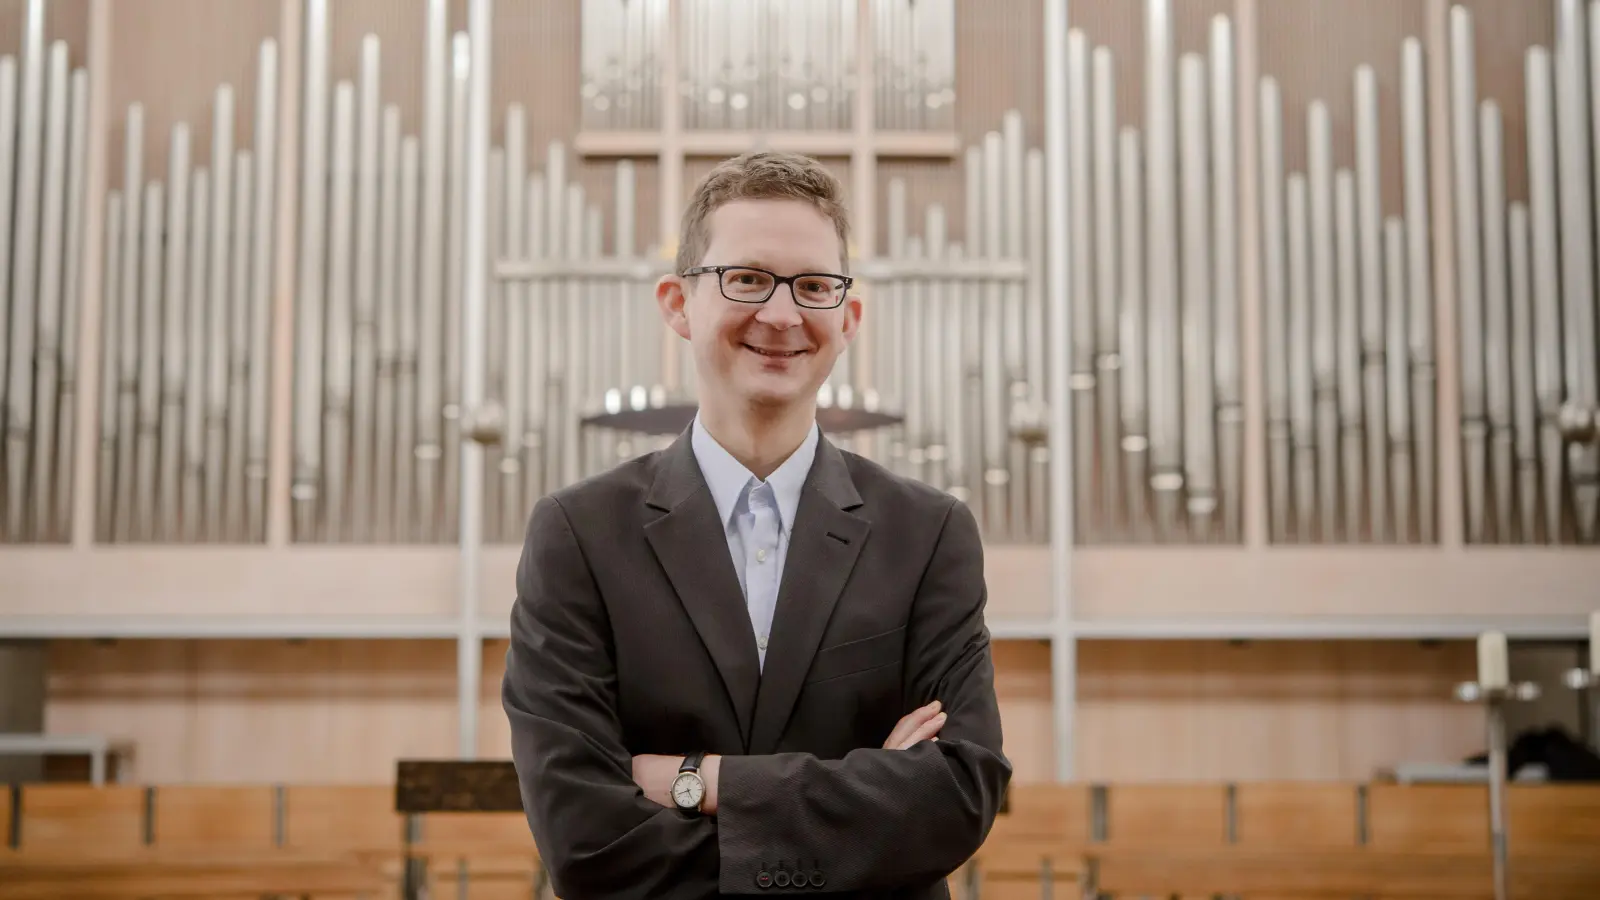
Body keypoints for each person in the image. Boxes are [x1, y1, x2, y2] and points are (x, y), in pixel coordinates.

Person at [502, 150, 1011, 899]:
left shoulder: (928, 533)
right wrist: (861, 799)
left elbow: (955, 799)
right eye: (746, 279)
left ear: (849, 318)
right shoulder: (578, 533)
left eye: (813, 286)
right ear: (678, 303)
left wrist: (695, 782)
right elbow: (585, 840)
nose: (782, 314)